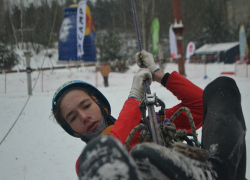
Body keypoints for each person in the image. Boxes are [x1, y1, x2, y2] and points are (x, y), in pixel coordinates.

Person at [52, 50, 246, 179]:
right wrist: (135, 97)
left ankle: (216, 171)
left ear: (100, 105)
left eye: (85, 106)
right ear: (72, 130)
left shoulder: (147, 125)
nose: (83, 117)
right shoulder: (88, 165)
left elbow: (199, 107)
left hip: (214, 173)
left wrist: (158, 74)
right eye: (73, 118)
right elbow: (111, 146)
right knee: (142, 154)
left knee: (222, 87)